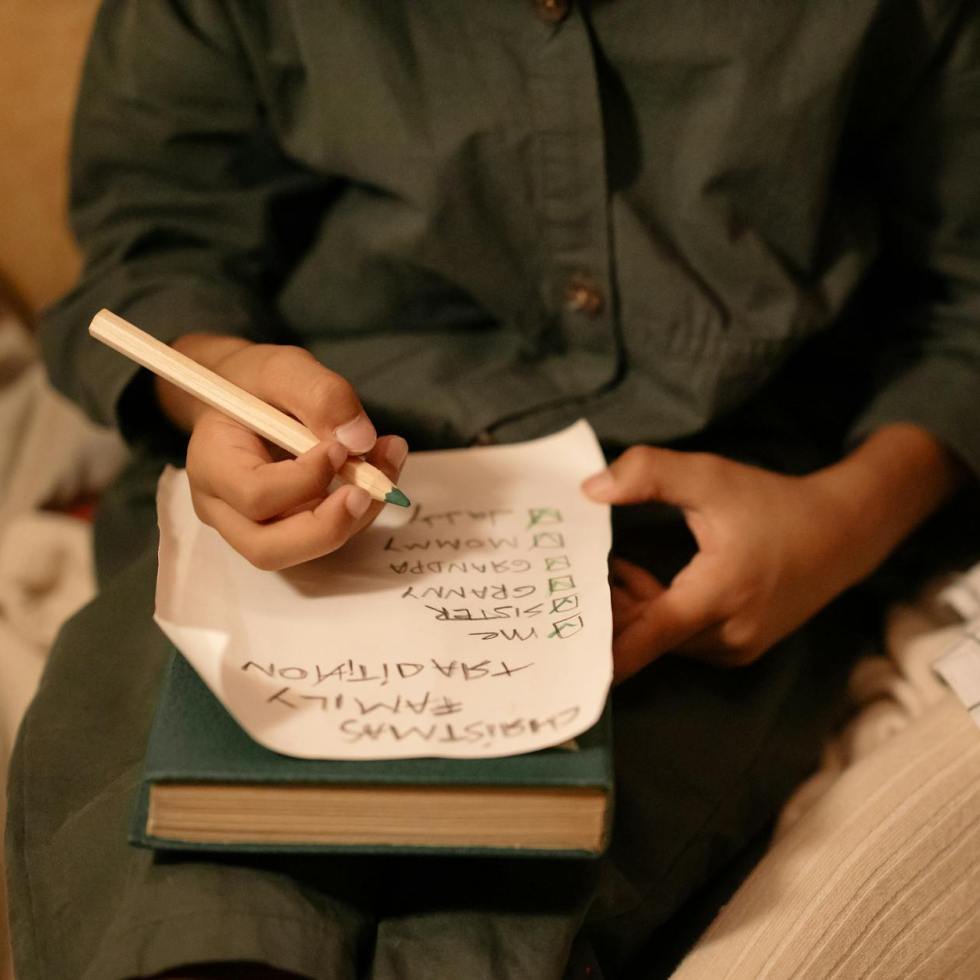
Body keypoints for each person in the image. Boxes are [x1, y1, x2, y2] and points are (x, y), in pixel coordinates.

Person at [6, 2, 980, 978]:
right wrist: (214, 383)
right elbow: (154, 242)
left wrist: (845, 519)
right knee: (185, 895)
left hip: (706, 517)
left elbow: (965, 300)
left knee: (505, 907)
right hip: (278, 493)